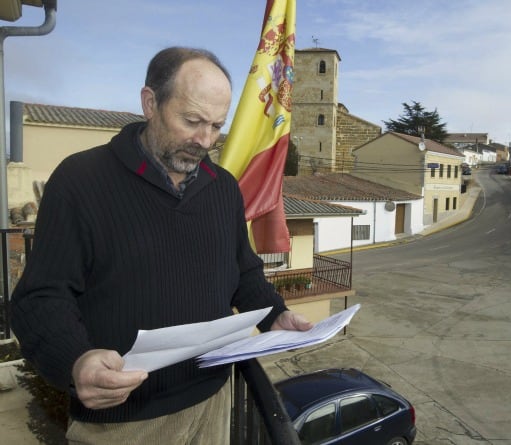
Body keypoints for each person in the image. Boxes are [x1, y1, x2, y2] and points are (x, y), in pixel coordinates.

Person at [10, 46, 312, 444]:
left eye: (216, 126)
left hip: (213, 400)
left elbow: (243, 272)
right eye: (191, 121)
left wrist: (276, 314)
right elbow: (40, 298)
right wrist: (75, 361)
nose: (204, 140)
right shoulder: (80, 181)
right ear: (150, 102)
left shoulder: (222, 188)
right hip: (123, 423)